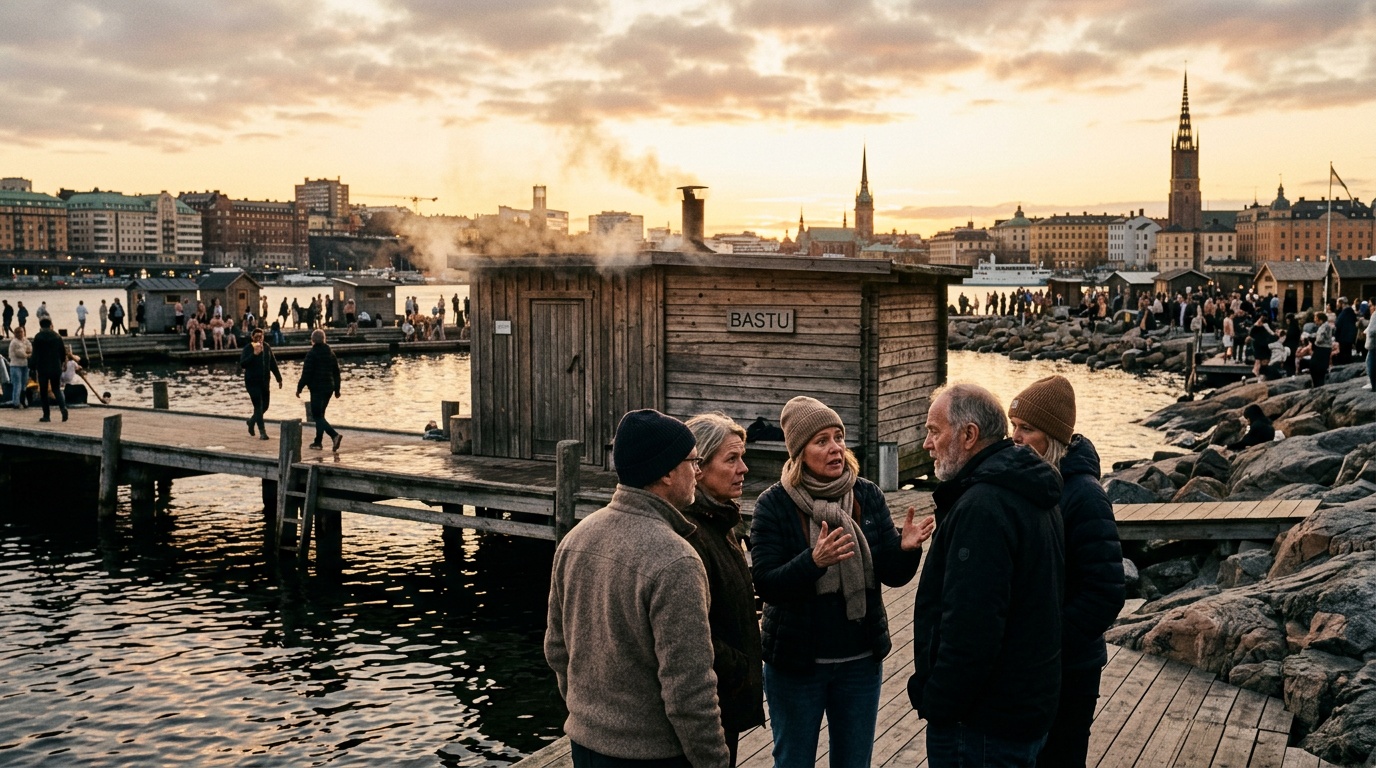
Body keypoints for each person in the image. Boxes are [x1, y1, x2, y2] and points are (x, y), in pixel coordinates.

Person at [751, 396, 932, 767]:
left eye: (838, 437)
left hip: (859, 662)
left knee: (854, 761)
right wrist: (814, 561)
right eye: (822, 441)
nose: (835, 448)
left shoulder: (865, 494)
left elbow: (892, 574)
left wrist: (907, 549)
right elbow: (767, 583)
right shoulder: (775, 504)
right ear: (800, 452)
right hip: (797, 664)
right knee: (793, 760)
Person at [545, 409, 730, 767]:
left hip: (585, 746)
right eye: (692, 461)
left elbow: (556, 648)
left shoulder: (575, 539)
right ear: (665, 472)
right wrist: (714, 762)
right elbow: (689, 689)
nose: (697, 471)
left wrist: (588, 715)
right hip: (653, 754)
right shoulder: (676, 560)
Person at [910, 383, 1064, 767]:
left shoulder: (983, 508)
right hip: (1022, 709)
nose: (927, 444)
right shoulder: (1031, 491)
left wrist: (938, 701)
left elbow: (971, 626)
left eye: (934, 431)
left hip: (981, 724)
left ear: (968, 435)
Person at [1007, 376, 1125, 768]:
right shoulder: (1032, 484)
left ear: (1053, 436)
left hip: (1071, 668)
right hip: (1034, 668)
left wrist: (1050, 638)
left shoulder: (1085, 495)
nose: (1016, 437)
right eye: (1013, 427)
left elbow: (1106, 592)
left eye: (1027, 429)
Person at [682, 413, 764, 766]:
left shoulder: (723, 520)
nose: (743, 469)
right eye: (731, 459)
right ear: (698, 467)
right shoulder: (690, 534)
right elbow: (691, 634)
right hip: (708, 704)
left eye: (742, 457)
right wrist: (740, 668)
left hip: (725, 698)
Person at [296, 329, 343, 452]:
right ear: (324, 339)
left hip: (317, 388)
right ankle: (318, 442)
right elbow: (336, 373)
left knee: (316, 415)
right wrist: (337, 389)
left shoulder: (312, 354)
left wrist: (299, 388)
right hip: (329, 389)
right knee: (321, 415)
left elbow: (306, 373)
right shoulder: (330, 353)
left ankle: (334, 435)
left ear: (312, 341)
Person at [240, 328, 282, 440]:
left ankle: (251, 421)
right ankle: (262, 432)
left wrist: (279, 378)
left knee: (265, 406)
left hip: (264, 382)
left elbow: (272, 363)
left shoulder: (267, 347)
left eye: (261, 336)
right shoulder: (248, 348)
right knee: (258, 406)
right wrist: (254, 354)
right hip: (252, 382)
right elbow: (243, 364)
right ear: (252, 337)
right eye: (256, 336)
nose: (259, 338)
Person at [29, 318, 68, 423]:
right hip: (56, 367)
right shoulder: (57, 336)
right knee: (56, 389)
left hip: (42, 367)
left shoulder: (38, 337)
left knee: (43, 391)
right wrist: (63, 363)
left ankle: (46, 416)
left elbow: (35, 354)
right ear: (50, 324)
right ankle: (63, 407)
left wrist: (32, 366)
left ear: (40, 325)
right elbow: (62, 352)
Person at [8, 325, 31, 408]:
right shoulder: (14, 342)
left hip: (24, 365)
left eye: (22, 332)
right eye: (19, 332)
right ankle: (16, 402)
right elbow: (20, 353)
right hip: (15, 365)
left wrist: (28, 353)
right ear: (16, 333)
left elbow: (30, 348)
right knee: (17, 384)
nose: (21, 334)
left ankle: (23, 401)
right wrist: (28, 355)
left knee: (24, 384)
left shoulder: (25, 340)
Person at [1311, 312, 1334, 387]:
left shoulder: (1323, 327)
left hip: (1321, 349)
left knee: (1316, 368)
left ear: (1321, 320)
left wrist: (1313, 340)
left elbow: (1319, 339)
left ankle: (1318, 386)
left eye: (1316, 319)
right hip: (1326, 349)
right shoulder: (1327, 326)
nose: (1315, 321)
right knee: (1321, 369)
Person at [1335, 297, 1358, 365]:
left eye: (1338, 303)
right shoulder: (1351, 312)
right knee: (1348, 355)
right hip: (1349, 337)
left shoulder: (1343, 313)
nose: (1337, 305)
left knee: (1343, 357)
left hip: (1343, 337)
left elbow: (1338, 324)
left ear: (1342, 303)